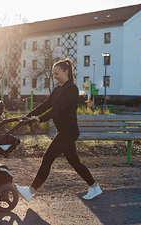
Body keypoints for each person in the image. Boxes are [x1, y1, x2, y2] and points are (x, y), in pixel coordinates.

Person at [16, 58, 102, 202]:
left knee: (47, 158)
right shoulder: (58, 89)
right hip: (64, 131)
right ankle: (94, 187)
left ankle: (30, 191)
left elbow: (58, 108)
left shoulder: (71, 89)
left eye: (57, 74)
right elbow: (46, 104)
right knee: (75, 162)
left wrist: (40, 119)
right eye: (53, 74)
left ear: (66, 72)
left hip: (69, 132)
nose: (54, 77)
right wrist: (29, 115)